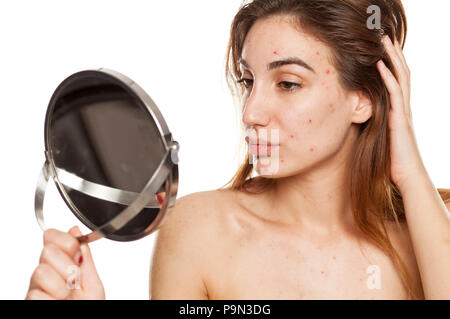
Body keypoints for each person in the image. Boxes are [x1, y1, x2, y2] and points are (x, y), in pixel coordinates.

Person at [26, 0, 450, 300]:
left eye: (287, 83)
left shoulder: (429, 235)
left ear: (363, 100)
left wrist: (410, 173)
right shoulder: (200, 231)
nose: (251, 112)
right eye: (248, 82)